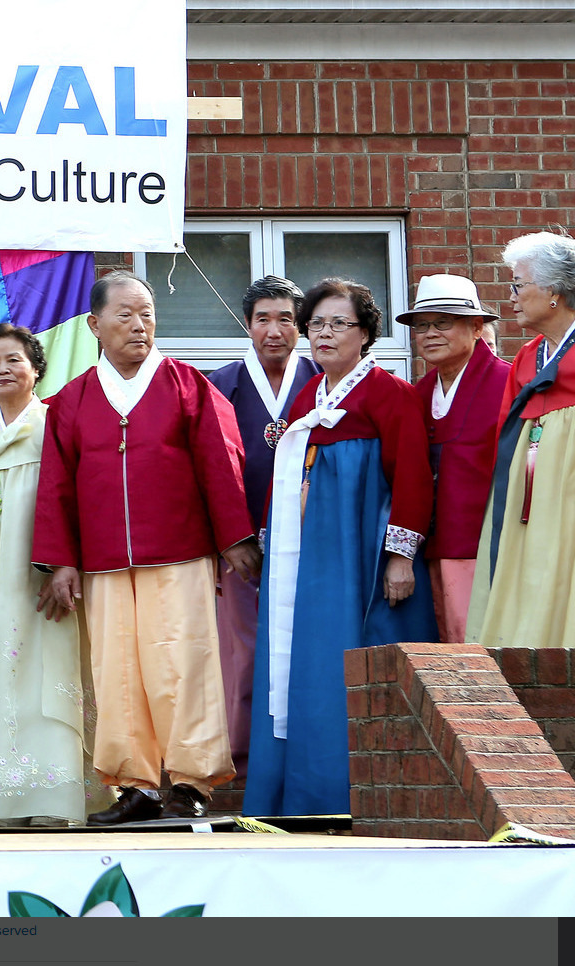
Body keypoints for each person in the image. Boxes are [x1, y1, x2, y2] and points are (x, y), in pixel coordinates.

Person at [33, 271, 255, 825]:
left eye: (148, 314)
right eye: (125, 315)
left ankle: (191, 781)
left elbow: (221, 461)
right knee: (117, 671)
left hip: (180, 550)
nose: (139, 326)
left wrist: (233, 539)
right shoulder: (71, 400)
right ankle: (135, 785)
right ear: (95, 325)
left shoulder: (188, 386)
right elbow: (56, 485)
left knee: (184, 662)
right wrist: (60, 561)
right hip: (104, 559)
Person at [246, 278, 436, 816]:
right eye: (317, 324)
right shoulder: (309, 397)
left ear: (367, 333)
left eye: (338, 324)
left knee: (348, 661)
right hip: (307, 562)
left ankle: (352, 793)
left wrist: (400, 556)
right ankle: (301, 795)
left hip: (359, 556)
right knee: (303, 664)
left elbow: (414, 479)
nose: (324, 334)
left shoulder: (389, 393)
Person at [0, 324, 97, 826]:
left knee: (43, 678)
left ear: (35, 369)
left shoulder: (57, 425)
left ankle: (51, 796)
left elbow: (78, 503)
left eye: (14, 360)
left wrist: (66, 564)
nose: (3, 370)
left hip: (40, 585)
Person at [205, 275, 318, 776]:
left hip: (308, 538)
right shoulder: (220, 383)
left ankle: (304, 753)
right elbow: (207, 468)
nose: (274, 331)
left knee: (304, 642)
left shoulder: (322, 380)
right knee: (243, 651)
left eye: (286, 320)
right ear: (247, 325)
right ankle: (242, 761)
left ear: (302, 326)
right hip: (242, 544)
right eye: (263, 320)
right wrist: (231, 539)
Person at [470, 231, 575, 649]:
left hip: (567, 485)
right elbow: (504, 431)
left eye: (519, 284)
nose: (510, 296)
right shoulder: (528, 357)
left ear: (552, 291)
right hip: (526, 490)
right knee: (526, 562)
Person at [400, 274, 509, 643]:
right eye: (422, 325)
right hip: (428, 549)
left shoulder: (510, 384)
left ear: (477, 327)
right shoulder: (418, 392)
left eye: (443, 322)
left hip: (488, 549)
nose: (430, 333)